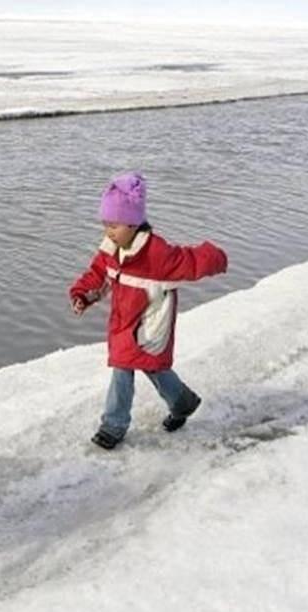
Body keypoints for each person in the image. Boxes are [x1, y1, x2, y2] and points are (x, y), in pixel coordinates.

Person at [69, 172, 227, 450]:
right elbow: (99, 275)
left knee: (128, 367)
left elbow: (189, 261)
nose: (108, 232)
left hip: (150, 325)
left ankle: (113, 426)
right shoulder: (111, 250)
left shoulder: (156, 254)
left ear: (133, 223)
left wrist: (215, 257)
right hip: (123, 322)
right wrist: (82, 295)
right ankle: (183, 402)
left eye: (114, 225)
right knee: (151, 368)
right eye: (105, 224)